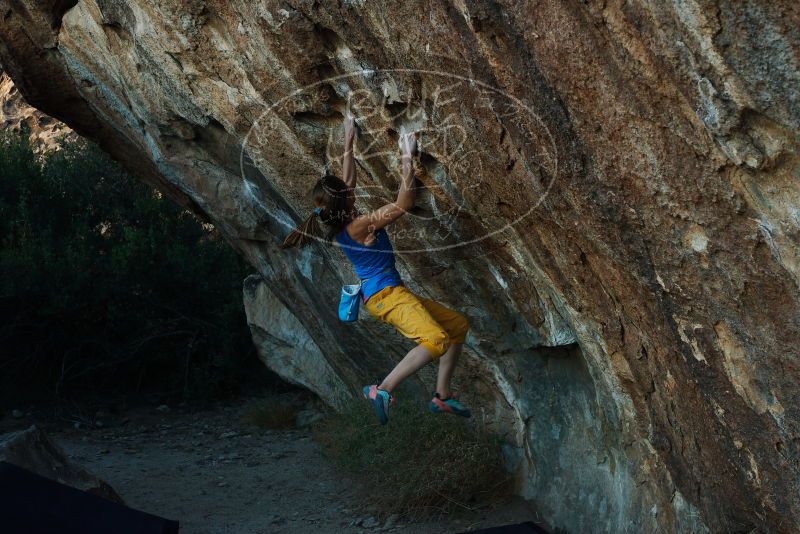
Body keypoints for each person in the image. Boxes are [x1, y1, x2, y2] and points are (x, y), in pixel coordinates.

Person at [280, 114, 471, 425]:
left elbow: (347, 177)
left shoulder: (341, 217)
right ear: (345, 198)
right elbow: (404, 202)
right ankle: (381, 389)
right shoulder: (359, 224)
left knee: (457, 326)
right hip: (387, 296)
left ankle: (442, 396)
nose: (350, 185)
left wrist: (348, 137)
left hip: (389, 294)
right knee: (436, 340)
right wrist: (406, 156)